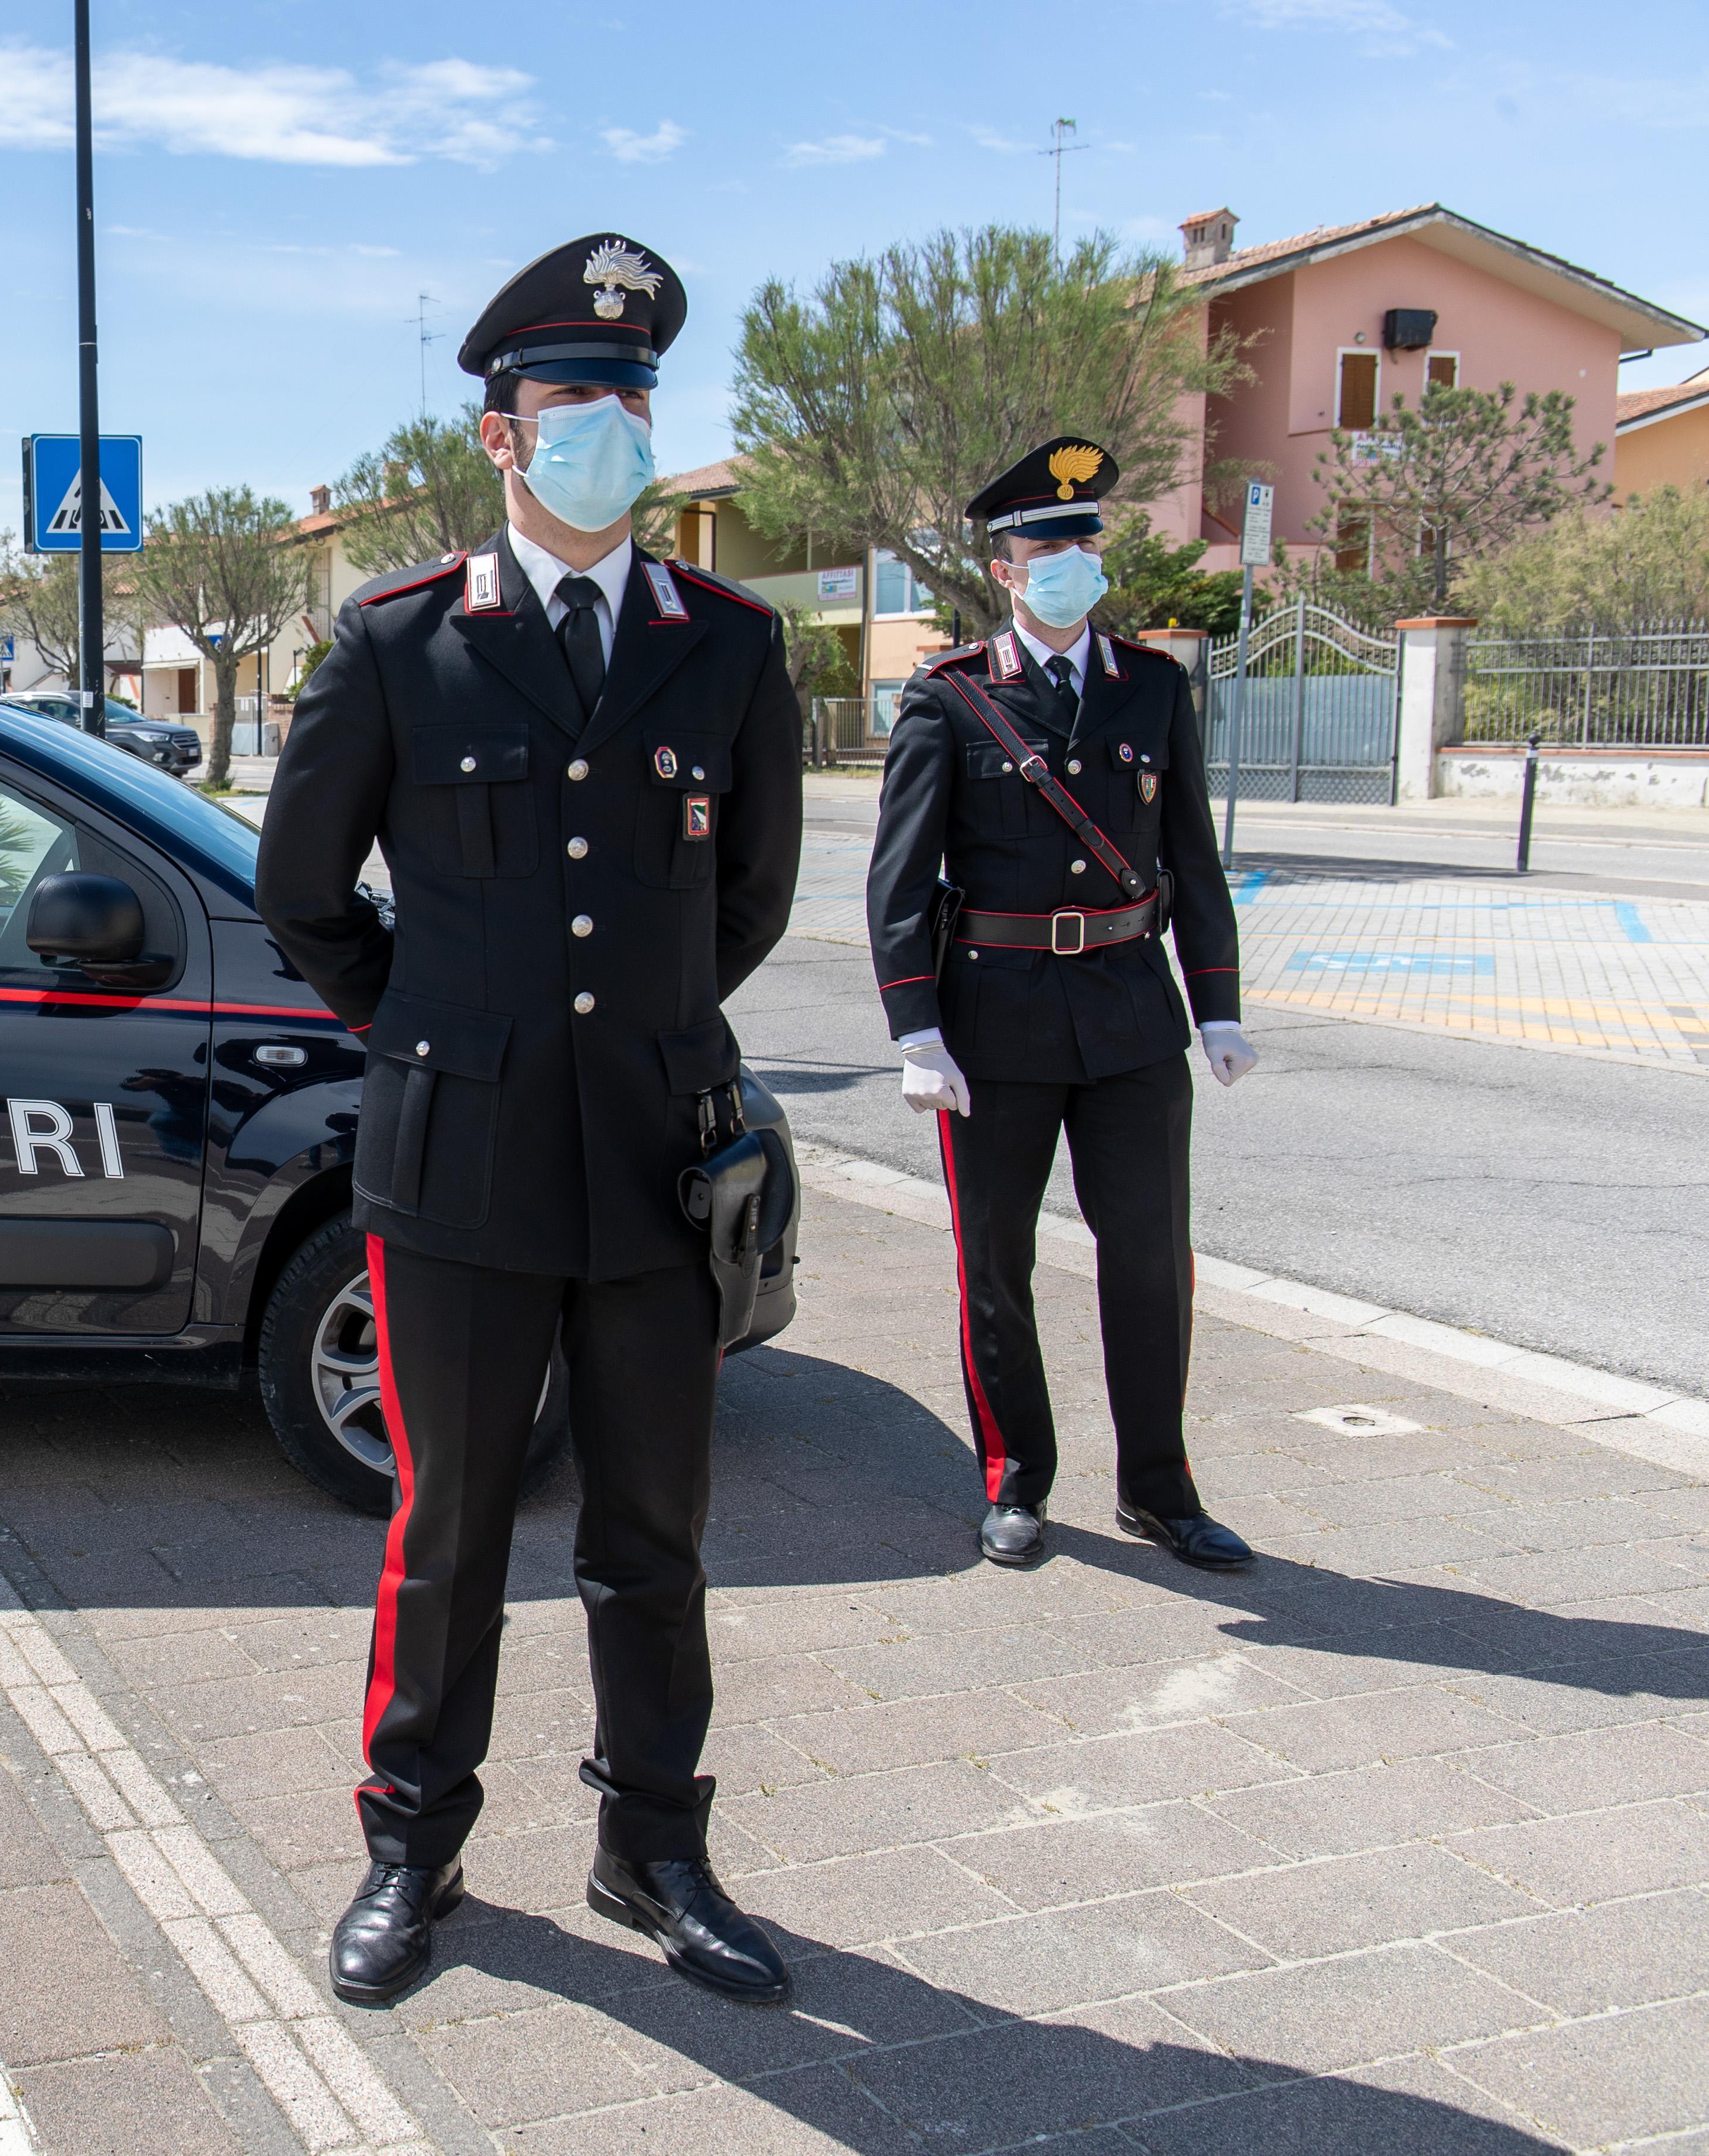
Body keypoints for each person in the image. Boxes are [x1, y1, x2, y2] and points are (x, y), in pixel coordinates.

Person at [256, 233, 804, 2009]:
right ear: (502, 434)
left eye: (634, 399)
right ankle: (413, 1852)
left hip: (657, 1156)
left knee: (654, 1537)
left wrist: (637, 1033)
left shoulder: (728, 648)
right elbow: (304, 892)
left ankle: (656, 1847)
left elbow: (752, 908)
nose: (613, 428)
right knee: (452, 1536)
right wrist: (429, 1035)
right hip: (461, 1159)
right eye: (577, 401)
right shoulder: (402, 642)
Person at [861, 436, 1260, 1574]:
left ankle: (1161, 1486)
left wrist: (1217, 1000)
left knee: (1148, 1254)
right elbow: (900, 877)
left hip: (1133, 1013)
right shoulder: (950, 699)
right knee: (997, 1259)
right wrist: (916, 1028)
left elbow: (1192, 853)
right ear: (1006, 567)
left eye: (1086, 539)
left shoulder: (1154, 686)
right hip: (995, 1020)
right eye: (1048, 544)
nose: (1072, 559)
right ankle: (1017, 1477)